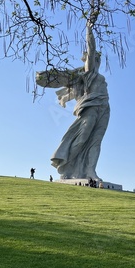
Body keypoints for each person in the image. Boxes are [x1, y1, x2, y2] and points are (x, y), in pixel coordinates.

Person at [36, 19, 109, 180]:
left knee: (96, 142)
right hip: (90, 108)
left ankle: (91, 171)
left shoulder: (99, 76)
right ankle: (66, 166)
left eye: (98, 60)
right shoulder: (90, 74)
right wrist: (89, 29)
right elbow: (91, 49)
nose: (97, 62)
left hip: (104, 108)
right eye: (95, 59)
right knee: (82, 137)